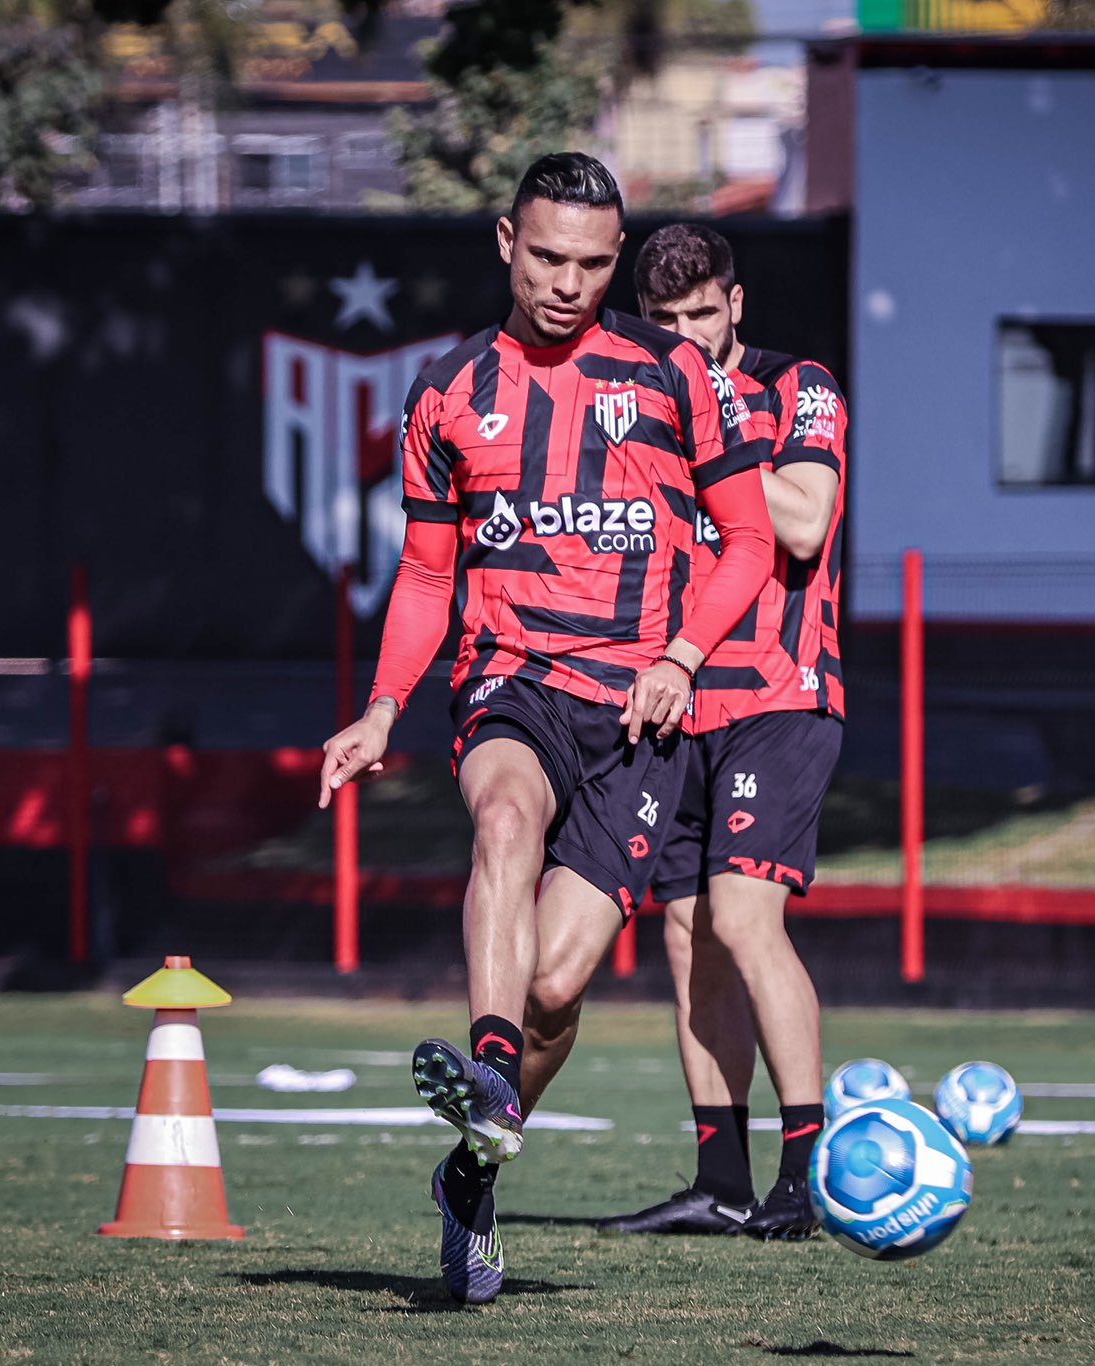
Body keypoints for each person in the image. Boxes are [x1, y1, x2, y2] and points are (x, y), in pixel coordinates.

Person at [316, 155, 776, 1304]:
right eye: (545, 257)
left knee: (560, 986)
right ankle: (486, 1070)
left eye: (590, 262)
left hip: (639, 714)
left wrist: (679, 657)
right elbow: (426, 574)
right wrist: (380, 707)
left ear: (614, 259)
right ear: (504, 244)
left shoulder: (675, 374)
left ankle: (471, 1174)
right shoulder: (447, 390)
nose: (566, 282)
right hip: (508, 681)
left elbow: (751, 544)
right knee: (504, 819)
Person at [597, 223, 848, 1242]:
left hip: (779, 696)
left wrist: (713, 415)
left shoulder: (800, 389)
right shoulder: (638, 399)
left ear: (735, 305)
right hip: (679, 703)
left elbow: (799, 524)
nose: (687, 340)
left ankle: (804, 1174)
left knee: (746, 920)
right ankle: (720, 1177)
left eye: (703, 317)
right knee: (685, 932)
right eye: (664, 325)